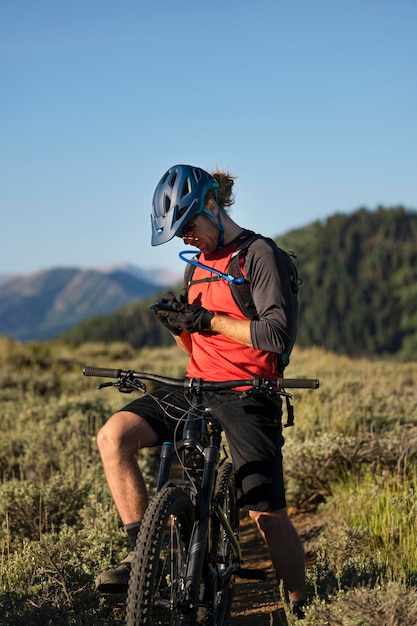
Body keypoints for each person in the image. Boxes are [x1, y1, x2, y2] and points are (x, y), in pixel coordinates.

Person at [95, 164, 306, 618]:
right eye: (179, 233)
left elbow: (276, 337)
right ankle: (141, 557)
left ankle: (302, 603)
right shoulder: (198, 267)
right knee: (114, 436)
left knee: (265, 514)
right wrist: (179, 326)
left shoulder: (258, 254)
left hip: (249, 392)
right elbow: (196, 343)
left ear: (213, 204)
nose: (187, 237)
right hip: (196, 386)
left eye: (189, 225)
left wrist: (209, 319)